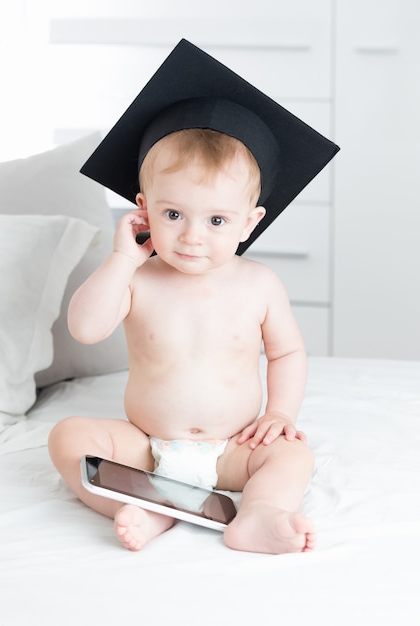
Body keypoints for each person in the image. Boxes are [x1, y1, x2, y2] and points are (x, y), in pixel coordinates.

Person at [48, 40, 339, 554]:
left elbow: (287, 352)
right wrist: (122, 260)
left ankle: (259, 514)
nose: (191, 237)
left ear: (250, 223)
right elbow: (86, 328)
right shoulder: (138, 278)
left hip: (234, 448)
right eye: (173, 214)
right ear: (142, 210)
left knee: (294, 456)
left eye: (217, 220)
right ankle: (140, 505)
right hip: (145, 448)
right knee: (68, 437)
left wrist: (281, 415)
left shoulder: (259, 284)